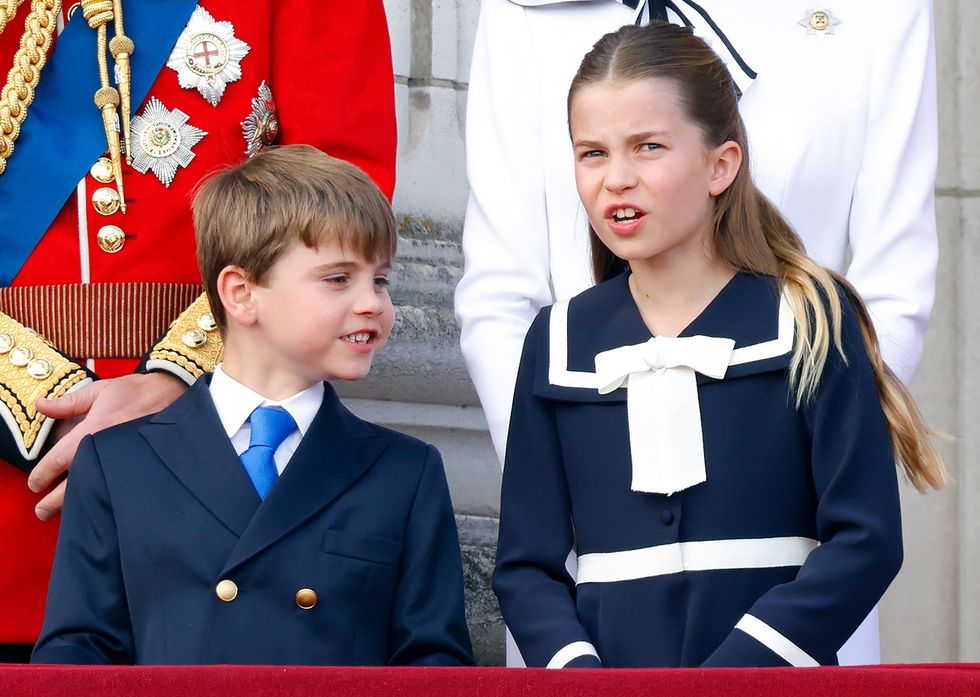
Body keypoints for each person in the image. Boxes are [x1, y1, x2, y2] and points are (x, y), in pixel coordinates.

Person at [456, 0, 938, 665]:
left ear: (722, 164)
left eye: (648, 147)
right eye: (591, 153)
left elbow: (867, 538)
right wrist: (577, 669)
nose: (616, 178)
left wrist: (742, 671)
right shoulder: (558, 341)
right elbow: (526, 564)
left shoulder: (814, 321)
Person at [0, 0, 396, 661]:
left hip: (217, 470)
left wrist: (179, 380)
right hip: (17, 498)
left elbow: (342, 210)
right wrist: (39, 413)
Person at [31, 146, 474, 666]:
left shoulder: (405, 471)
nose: (373, 302)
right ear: (240, 294)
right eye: (338, 278)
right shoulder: (117, 462)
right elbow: (77, 653)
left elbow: (434, 663)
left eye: (380, 280)